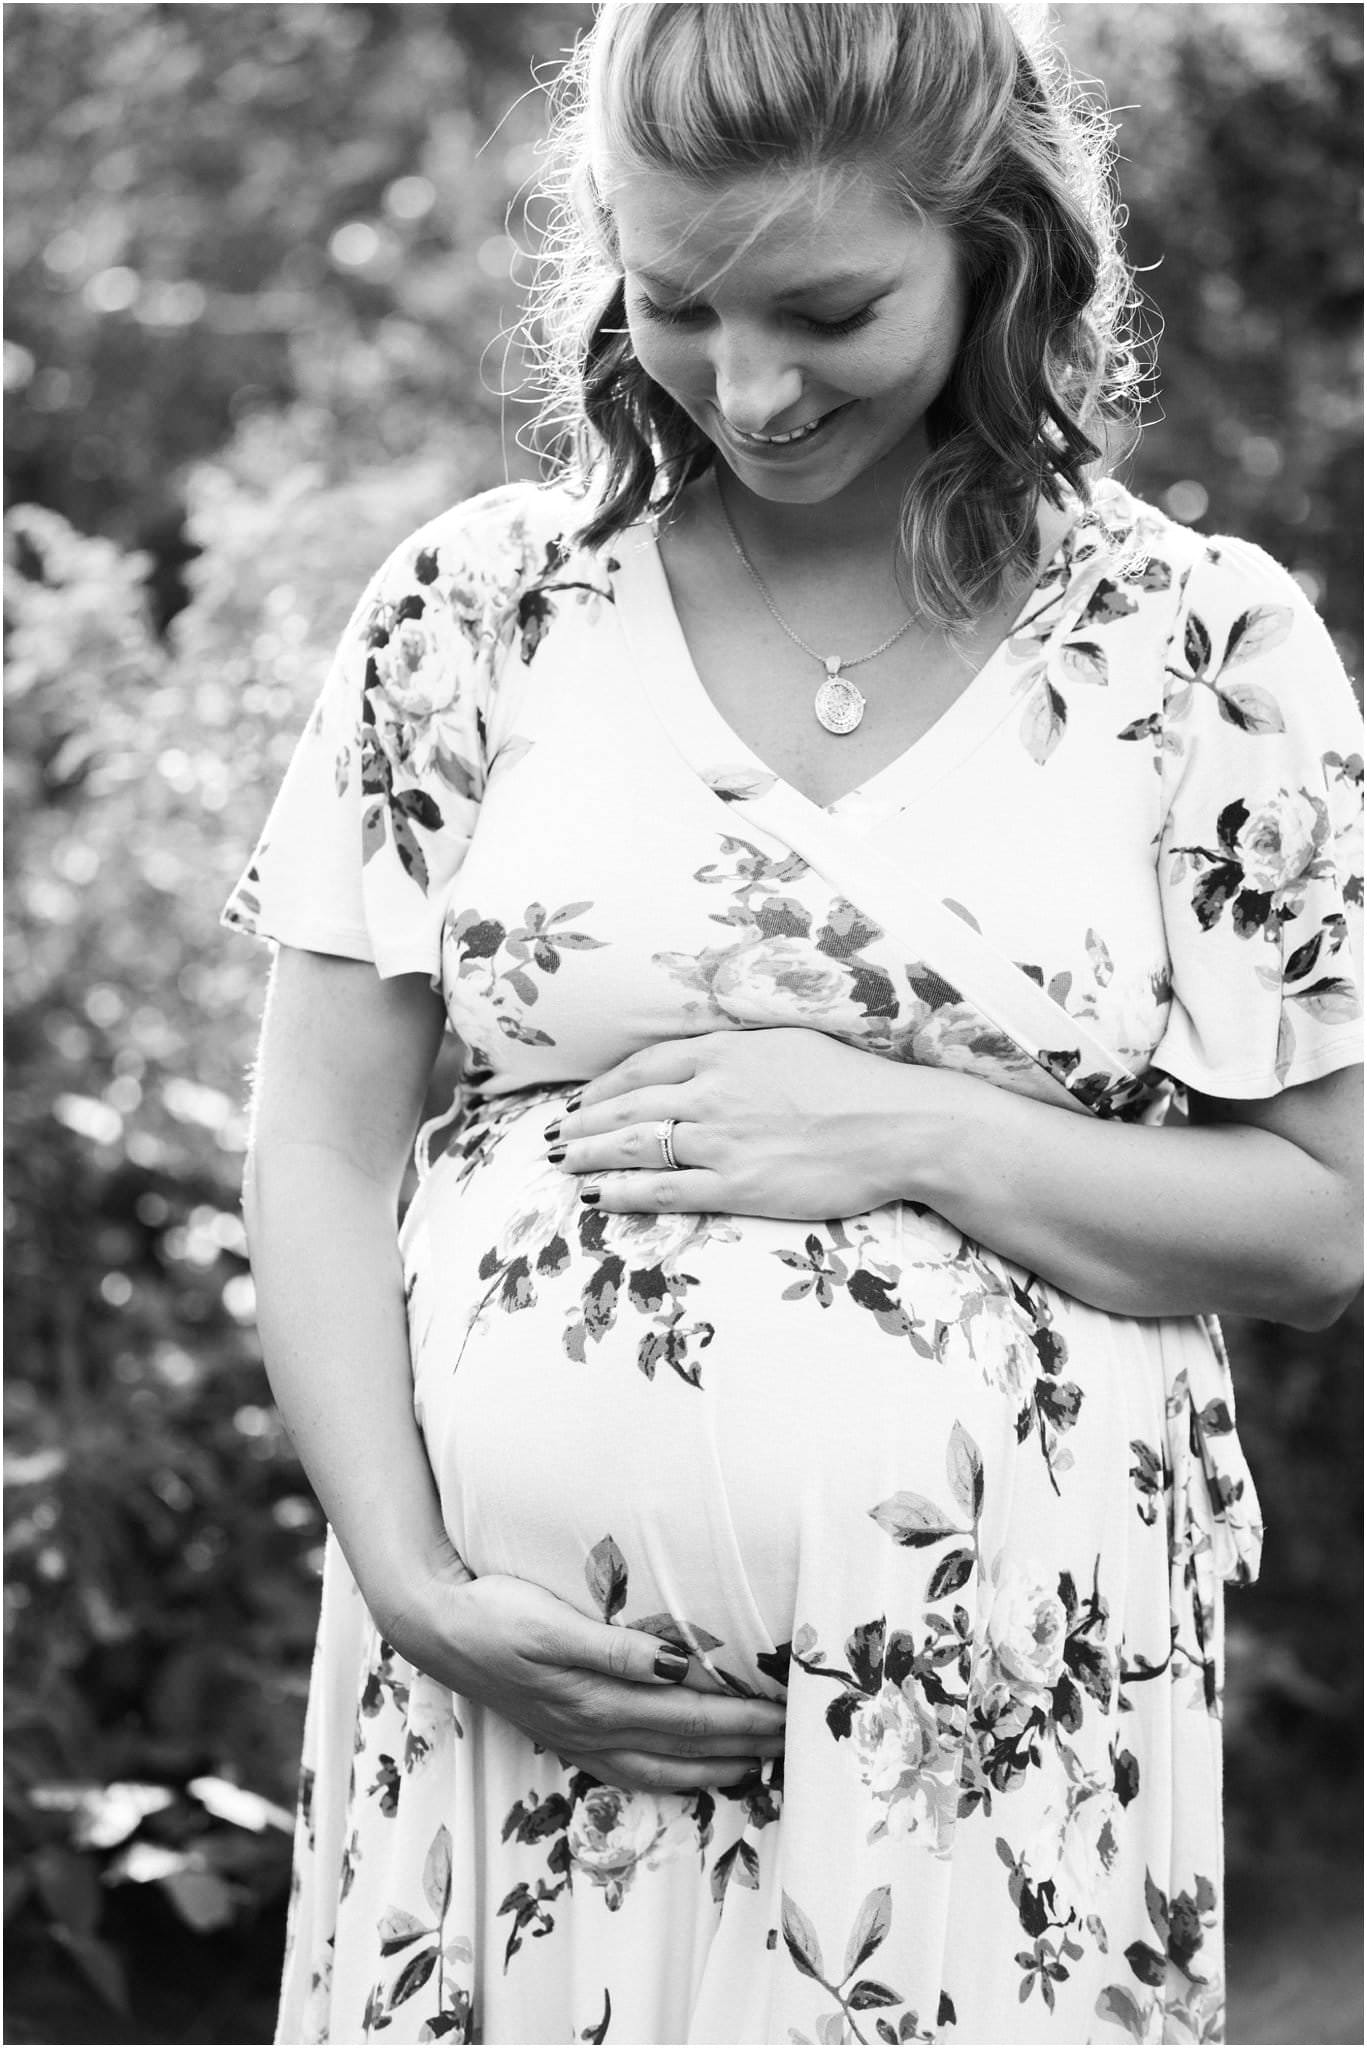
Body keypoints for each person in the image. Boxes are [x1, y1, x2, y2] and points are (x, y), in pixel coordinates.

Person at [223, 4, 1363, 2042]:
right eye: (681, 306)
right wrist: (413, 1582)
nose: (749, 389)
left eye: (830, 309)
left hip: (1001, 1771)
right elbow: (316, 1138)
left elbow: (1323, 1220)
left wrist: (912, 1127)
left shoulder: (1200, 657)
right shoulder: (476, 616)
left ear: (994, 249)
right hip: (497, 1741)